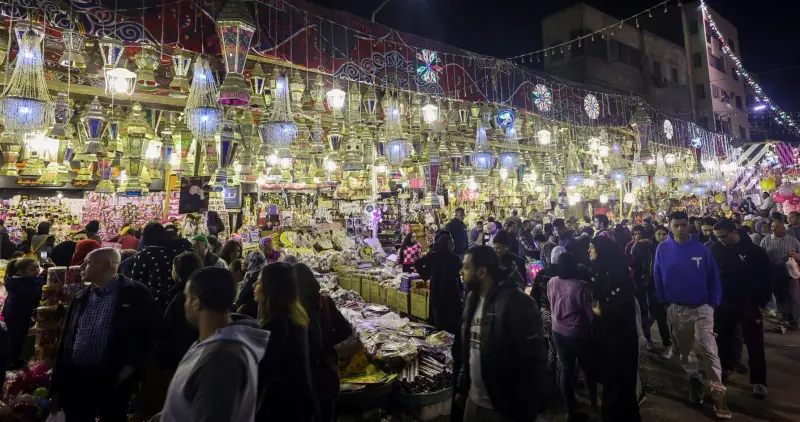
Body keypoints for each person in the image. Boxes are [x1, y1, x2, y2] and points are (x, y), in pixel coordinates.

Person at [50, 248, 159, 422]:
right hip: (78, 377)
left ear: (107, 265)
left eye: (88, 262)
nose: (81, 266)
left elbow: (147, 334)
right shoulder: (81, 297)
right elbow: (66, 341)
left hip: (113, 378)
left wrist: (127, 370)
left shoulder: (135, 293)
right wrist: (57, 385)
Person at [451, 246, 549, 422]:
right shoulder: (471, 299)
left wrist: (525, 410)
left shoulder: (516, 303)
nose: (461, 272)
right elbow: (466, 349)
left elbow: (533, 362)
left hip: (503, 410)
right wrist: (463, 389)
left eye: (466, 267)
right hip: (473, 403)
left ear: (481, 272)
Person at [159, 267, 268, 422]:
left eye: (187, 298)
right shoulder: (215, 342)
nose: (185, 304)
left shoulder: (221, 359)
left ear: (196, 302)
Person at [653, 211, 728, 418]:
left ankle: (718, 395)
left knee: (708, 349)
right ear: (669, 225)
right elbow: (657, 275)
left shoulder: (700, 249)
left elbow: (713, 276)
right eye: (676, 225)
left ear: (689, 225)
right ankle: (694, 380)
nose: (680, 229)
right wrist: (664, 301)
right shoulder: (662, 249)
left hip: (702, 308)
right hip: (676, 309)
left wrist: (713, 303)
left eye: (684, 225)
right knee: (686, 351)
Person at [710, 219, 770, 397]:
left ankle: (759, 381)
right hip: (723, 303)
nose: (721, 240)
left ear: (734, 232)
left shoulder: (753, 251)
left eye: (723, 236)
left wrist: (762, 301)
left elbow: (767, 277)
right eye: (718, 237)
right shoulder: (715, 249)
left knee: (754, 343)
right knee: (723, 340)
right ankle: (726, 367)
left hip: (748, 303)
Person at [255, 262, 319, 421]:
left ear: (271, 288)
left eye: (259, 282)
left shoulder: (277, 325)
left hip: (284, 411)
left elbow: (264, 374)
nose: (255, 286)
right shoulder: (296, 317)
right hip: (301, 406)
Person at [588, 236, 641, 422]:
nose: (589, 251)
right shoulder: (601, 270)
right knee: (609, 382)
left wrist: (601, 311)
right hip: (606, 336)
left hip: (620, 339)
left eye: (592, 248)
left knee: (620, 383)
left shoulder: (618, 275)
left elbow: (623, 307)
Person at [296, 263, 353, 422]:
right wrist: (329, 344)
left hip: (307, 379)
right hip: (329, 374)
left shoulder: (295, 309)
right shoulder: (325, 301)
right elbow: (346, 331)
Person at [548, 251, 597, 421]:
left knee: (567, 369)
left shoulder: (552, 282)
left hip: (557, 331)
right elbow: (588, 313)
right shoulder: (580, 286)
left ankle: (570, 410)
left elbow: (550, 302)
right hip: (577, 334)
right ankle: (594, 403)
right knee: (588, 369)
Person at [154, 252, 205, 373]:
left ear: (178, 271)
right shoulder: (204, 291)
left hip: (181, 361)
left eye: (173, 268)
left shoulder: (178, 297)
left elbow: (170, 329)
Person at [131, 223, 193, 311]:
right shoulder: (176, 249)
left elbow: (136, 282)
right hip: (178, 300)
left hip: (153, 303)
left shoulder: (144, 254)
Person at [632, 224, 672, 357]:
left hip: (668, 287)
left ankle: (669, 343)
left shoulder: (671, 248)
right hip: (651, 286)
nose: (662, 237)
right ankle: (655, 341)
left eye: (664, 234)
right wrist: (639, 243)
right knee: (654, 315)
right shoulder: (648, 247)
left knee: (666, 317)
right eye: (659, 234)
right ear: (654, 235)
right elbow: (635, 256)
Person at [414, 233, 463, 334]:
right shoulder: (433, 256)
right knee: (441, 323)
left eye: (452, 244)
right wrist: (427, 274)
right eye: (449, 244)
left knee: (450, 322)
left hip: (450, 293)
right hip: (441, 292)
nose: (451, 246)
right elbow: (417, 264)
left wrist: (427, 274)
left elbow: (458, 274)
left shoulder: (454, 257)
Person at [2, 258, 43, 369]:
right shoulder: (24, 283)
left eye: (37, 267)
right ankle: (11, 363)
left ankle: (13, 361)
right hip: (16, 315)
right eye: (32, 269)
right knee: (15, 339)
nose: (37, 270)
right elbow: (36, 293)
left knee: (17, 338)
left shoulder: (18, 280)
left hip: (15, 313)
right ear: (21, 272)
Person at [759, 219, 800, 328]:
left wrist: (796, 256)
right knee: (779, 297)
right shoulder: (766, 240)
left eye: (776, 227)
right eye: (772, 227)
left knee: (792, 297)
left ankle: (795, 320)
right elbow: (761, 256)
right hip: (774, 274)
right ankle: (784, 318)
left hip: (790, 274)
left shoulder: (792, 240)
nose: (773, 229)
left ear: (783, 228)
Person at [236, 250, 268, 319]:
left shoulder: (253, 278)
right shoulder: (263, 274)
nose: (243, 263)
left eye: (246, 260)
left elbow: (244, 299)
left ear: (252, 261)